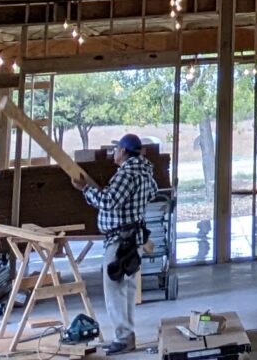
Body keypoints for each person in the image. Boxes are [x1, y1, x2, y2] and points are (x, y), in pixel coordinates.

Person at [83, 133, 161, 355]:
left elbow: (108, 202)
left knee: (115, 289)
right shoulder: (145, 173)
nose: (113, 154)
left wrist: (85, 190)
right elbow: (153, 192)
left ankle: (123, 337)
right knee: (125, 288)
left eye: (116, 149)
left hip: (119, 241)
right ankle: (127, 336)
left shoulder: (127, 174)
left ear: (124, 151)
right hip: (133, 240)